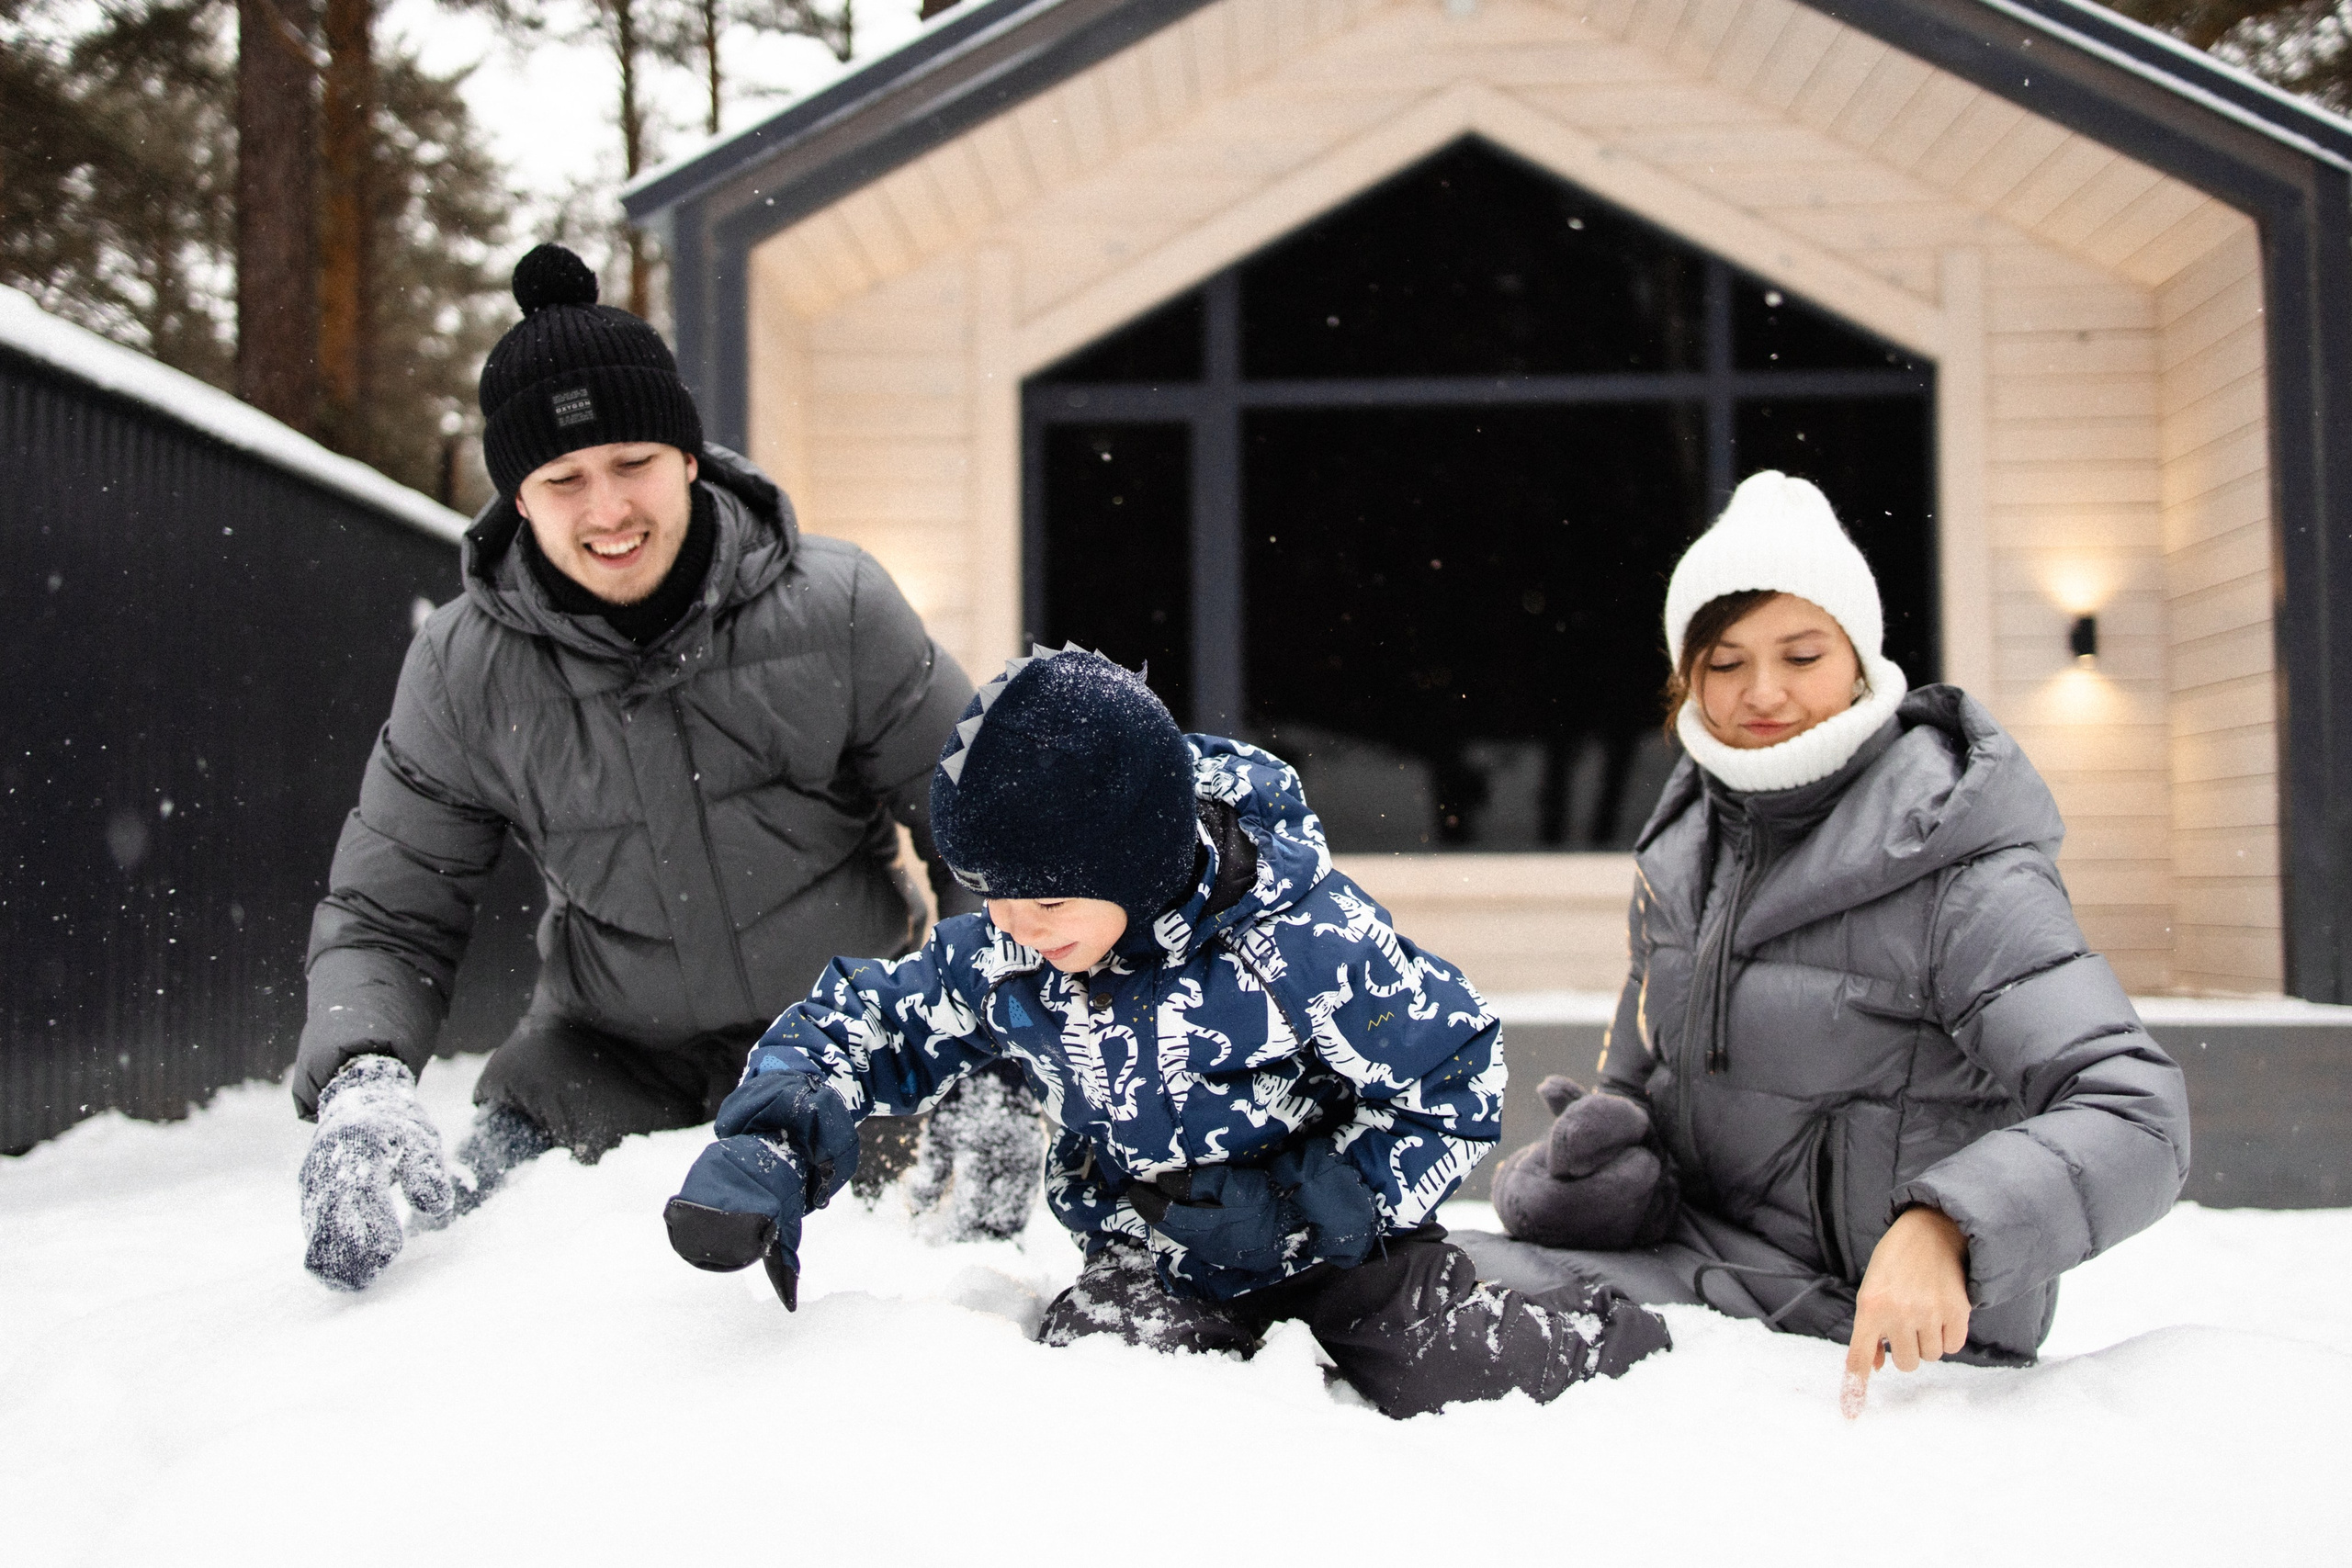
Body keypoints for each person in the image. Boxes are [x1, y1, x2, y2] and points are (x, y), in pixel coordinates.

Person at [658, 647, 1674, 1418]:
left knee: (1463, 1376)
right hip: (1155, 1255)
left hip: (1347, 1254)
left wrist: (1311, 1206)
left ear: (1138, 862)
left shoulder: (1305, 945)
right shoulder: (1022, 953)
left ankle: (1597, 1327)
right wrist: (770, 1142)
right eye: (992, 894)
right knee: (1116, 1391)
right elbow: (867, 1017)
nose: (1011, 922)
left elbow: (1454, 1074)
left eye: (1045, 898)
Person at [292, 243, 1027, 1292]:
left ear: (688, 456)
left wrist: (986, 1039)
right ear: (518, 497)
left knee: (871, 1310)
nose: (607, 511)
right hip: (604, 1063)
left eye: (633, 462)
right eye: (563, 480)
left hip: (851, 1042)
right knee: (469, 1284)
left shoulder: (839, 607)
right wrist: (360, 1079)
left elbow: (989, 833)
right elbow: (389, 911)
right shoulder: (464, 672)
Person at [1456, 471, 2191, 1414]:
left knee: (1404, 1321)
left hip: (1869, 1334)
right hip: (1701, 1270)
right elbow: (1640, 1089)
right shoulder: (1687, 845)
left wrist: (1949, 1226)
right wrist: (1605, 1173)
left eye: (1801, 655)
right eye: (1724, 662)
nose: (1762, 693)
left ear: (1859, 659)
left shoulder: (1956, 860)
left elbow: (2136, 1110)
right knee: (1373, 1283)